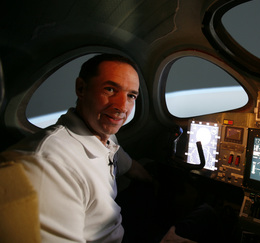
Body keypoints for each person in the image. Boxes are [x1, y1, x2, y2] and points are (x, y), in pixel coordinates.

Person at [1, 54, 154, 242]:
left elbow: (130, 167)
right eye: (110, 89)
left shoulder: (104, 137)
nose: (122, 107)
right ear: (81, 88)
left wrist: (157, 184)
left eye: (131, 96)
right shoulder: (49, 165)